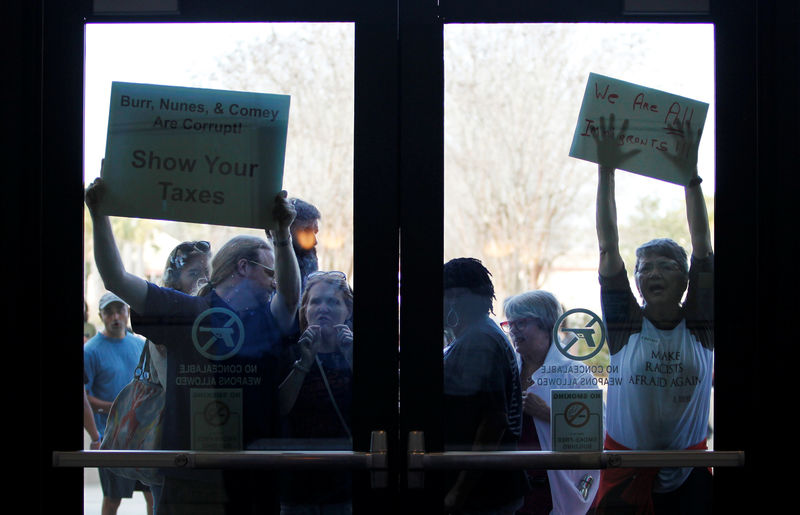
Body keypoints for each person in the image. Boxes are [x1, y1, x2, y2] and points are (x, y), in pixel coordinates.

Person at [86, 176, 301, 514]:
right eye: (268, 272)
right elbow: (116, 279)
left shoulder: (265, 318)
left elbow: (291, 298)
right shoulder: (187, 311)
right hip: (190, 476)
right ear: (243, 267)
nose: (275, 281)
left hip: (254, 475)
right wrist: (99, 216)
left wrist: (283, 239)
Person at [592, 115, 714, 513]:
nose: (655, 273)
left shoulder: (701, 325)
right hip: (626, 477)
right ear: (637, 282)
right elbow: (609, 248)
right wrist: (605, 169)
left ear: (686, 279)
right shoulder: (625, 325)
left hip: (690, 475)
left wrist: (689, 176)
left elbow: (703, 248)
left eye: (667, 265)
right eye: (646, 268)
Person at [442, 257, 529, 515]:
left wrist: (459, 491)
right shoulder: (482, 333)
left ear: (456, 298)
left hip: (485, 493)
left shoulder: (479, 341)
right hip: (490, 489)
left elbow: (493, 421)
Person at [502, 290, 600, 515]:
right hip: (513, 492)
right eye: (510, 324)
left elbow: (595, 434)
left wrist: (547, 412)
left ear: (547, 325)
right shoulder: (506, 371)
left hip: (557, 491)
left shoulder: (575, 372)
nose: (514, 330)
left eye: (522, 323)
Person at [278, 270, 354, 514]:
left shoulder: (358, 353)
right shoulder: (290, 353)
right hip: (297, 479)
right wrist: (304, 362)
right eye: (316, 301)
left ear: (348, 310)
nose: (324, 308)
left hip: (347, 478)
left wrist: (352, 357)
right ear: (305, 310)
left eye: (333, 302)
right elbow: (279, 407)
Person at [147, 240, 212, 510]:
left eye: (209, 273)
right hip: (171, 439)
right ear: (174, 280)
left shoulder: (208, 319)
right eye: (194, 273)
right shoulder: (171, 324)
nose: (204, 280)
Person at [84, 292, 153, 515]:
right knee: (113, 499)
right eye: (109, 312)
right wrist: (113, 407)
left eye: (120, 310)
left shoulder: (140, 345)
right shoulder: (90, 351)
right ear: (101, 316)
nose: (115, 316)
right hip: (111, 437)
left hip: (142, 436)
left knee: (152, 494)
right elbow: (85, 396)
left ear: (127, 313)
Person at [288, 197, 321, 291]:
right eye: (307, 231)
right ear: (287, 228)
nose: (315, 242)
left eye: (315, 232)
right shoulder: (269, 259)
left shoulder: (309, 255)